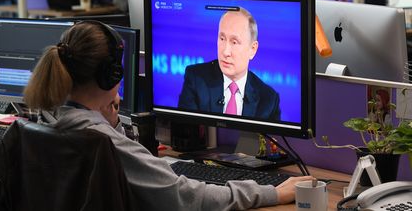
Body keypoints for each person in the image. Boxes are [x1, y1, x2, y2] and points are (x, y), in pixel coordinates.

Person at [23, 20, 313, 210]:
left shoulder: (44, 121)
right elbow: (186, 196)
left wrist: (111, 122)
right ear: (111, 75)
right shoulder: (100, 141)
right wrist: (275, 192)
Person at [178, 7, 281, 121]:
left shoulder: (268, 99)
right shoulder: (196, 79)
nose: (225, 52)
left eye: (234, 42)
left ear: (252, 49)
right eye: (222, 39)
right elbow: (186, 129)